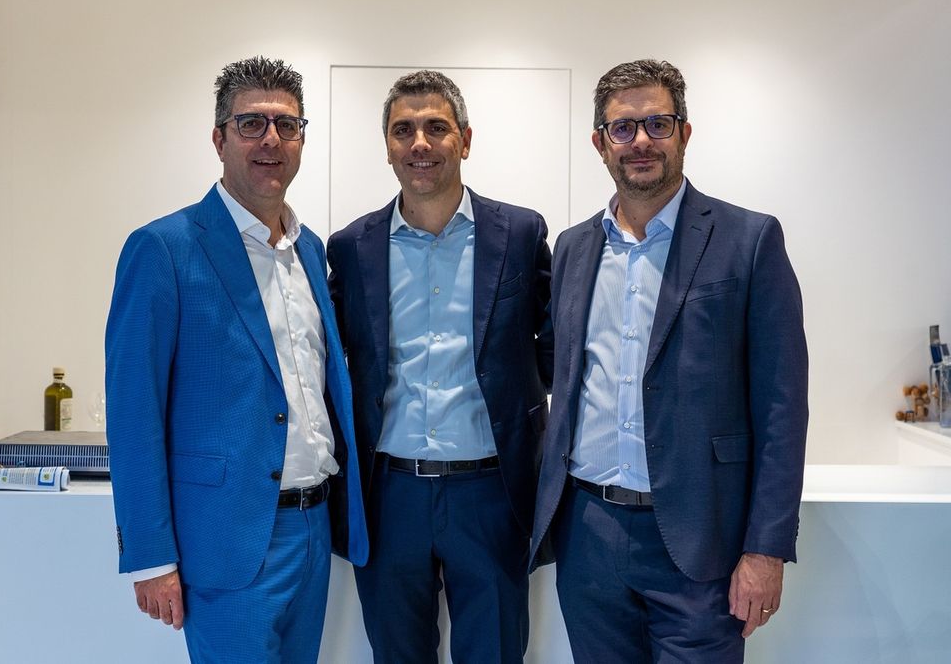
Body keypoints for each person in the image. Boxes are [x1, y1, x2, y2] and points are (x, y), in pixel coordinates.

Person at [529, 59, 809, 663]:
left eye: (657, 124)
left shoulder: (749, 240)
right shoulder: (574, 248)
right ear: (600, 143)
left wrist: (765, 549)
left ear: (684, 132)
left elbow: (782, 407)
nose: (641, 142)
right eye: (623, 128)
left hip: (700, 538)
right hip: (588, 531)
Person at [104, 56, 368, 664]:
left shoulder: (310, 250)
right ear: (219, 139)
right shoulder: (163, 249)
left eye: (287, 125)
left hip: (314, 527)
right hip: (227, 536)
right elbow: (133, 413)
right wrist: (150, 556)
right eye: (251, 123)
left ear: (301, 141)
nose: (271, 139)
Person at [327, 70, 553, 663]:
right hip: (390, 495)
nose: (419, 143)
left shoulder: (520, 234)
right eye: (403, 130)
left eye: (436, 127)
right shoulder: (351, 247)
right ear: (387, 147)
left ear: (465, 140)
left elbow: (556, 347)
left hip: (491, 492)